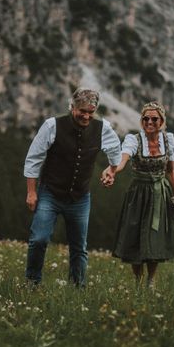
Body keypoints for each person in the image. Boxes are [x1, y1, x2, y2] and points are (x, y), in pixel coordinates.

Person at [24, 88, 121, 286]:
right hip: (50, 193)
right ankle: (32, 283)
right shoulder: (52, 125)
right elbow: (34, 159)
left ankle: (77, 288)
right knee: (39, 239)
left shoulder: (102, 128)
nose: (86, 116)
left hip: (80, 197)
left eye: (90, 112)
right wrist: (31, 192)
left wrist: (111, 171)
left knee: (79, 247)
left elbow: (115, 151)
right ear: (72, 107)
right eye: (82, 111)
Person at [102, 101, 174, 288]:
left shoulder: (168, 140)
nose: (149, 122)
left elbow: (170, 171)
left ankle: (151, 281)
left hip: (160, 193)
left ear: (161, 121)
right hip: (138, 193)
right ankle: (138, 282)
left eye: (154, 118)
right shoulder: (134, 140)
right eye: (145, 118)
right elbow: (123, 159)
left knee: (155, 236)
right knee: (135, 236)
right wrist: (112, 170)